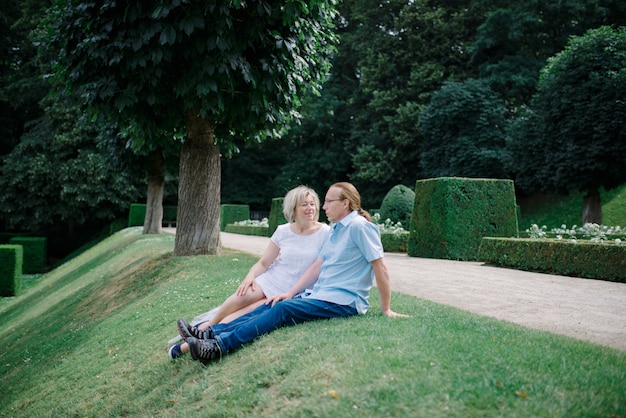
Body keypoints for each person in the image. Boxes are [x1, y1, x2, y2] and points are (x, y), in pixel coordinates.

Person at [176, 182, 409, 364]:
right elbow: (316, 266)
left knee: (282, 310)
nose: (323, 207)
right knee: (271, 304)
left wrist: (386, 309)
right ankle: (209, 334)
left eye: (328, 202)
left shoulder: (360, 227)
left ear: (345, 203)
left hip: (344, 302)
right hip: (321, 295)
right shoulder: (336, 230)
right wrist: (289, 292)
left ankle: (218, 347)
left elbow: (381, 267)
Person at [169, 185, 330, 359]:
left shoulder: (325, 233)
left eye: (312, 204)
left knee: (242, 315)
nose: (310, 208)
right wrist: (249, 277)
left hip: (292, 288)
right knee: (241, 297)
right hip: (272, 279)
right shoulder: (283, 231)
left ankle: (183, 347)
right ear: (294, 209)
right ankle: (203, 329)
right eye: (304, 205)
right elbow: (264, 262)